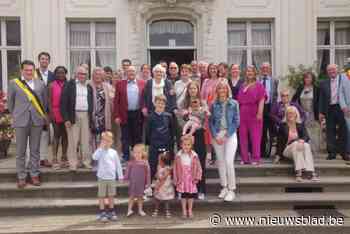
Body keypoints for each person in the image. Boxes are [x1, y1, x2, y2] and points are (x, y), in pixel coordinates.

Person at [8, 60, 48, 188]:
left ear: (34, 70)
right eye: (26, 70)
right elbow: (10, 103)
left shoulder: (41, 84)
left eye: (31, 70)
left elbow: (44, 103)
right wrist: (16, 116)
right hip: (21, 121)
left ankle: (34, 175)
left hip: (36, 121)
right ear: (22, 70)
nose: (29, 72)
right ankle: (21, 177)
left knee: (35, 150)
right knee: (20, 151)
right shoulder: (14, 84)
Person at [209, 81, 239, 202]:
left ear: (227, 90)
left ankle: (232, 189)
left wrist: (226, 135)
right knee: (220, 162)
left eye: (224, 88)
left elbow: (236, 121)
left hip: (230, 134)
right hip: (217, 134)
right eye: (220, 88)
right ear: (217, 90)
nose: (222, 90)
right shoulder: (213, 104)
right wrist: (215, 136)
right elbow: (210, 122)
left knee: (228, 161)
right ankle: (224, 187)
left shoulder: (234, 103)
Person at [60, 65, 93, 171]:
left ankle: (86, 162)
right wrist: (66, 119)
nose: (83, 76)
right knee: (73, 141)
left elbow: (91, 102)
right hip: (73, 115)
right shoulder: (69, 85)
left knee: (85, 141)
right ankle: (73, 164)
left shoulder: (89, 87)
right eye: (80, 73)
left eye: (84, 74)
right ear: (76, 74)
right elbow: (63, 103)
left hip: (86, 115)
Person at [277, 106, 319, 182]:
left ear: (296, 114)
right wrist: (278, 155)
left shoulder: (300, 125)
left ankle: (310, 172)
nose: (290, 115)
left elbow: (306, 136)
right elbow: (279, 142)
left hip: (298, 147)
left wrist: (302, 141)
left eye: (292, 113)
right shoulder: (283, 126)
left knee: (306, 145)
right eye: (288, 113)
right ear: (286, 115)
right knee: (296, 143)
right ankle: (300, 173)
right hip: (287, 150)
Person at [114, 66, 145, 161]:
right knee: (125, 137)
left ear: (136, 73)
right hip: (124, 114)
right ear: (126, 73)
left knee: (137, 136)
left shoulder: (142, 83)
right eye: (129, 71)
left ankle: (137, 157)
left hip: (138, 114)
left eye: (133, 71)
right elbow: (116, 102)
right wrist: (116, 116)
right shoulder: (120, 84)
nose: (131, 73)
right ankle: (126, 156)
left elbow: (145, 98)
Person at [182, 81, 208, 200]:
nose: (192, 90)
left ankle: (201, 189)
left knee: (200, 162)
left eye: (194, 88)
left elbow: (205, 117)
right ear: (188, 90)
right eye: (190, 88)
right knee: (187, 163)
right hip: (188, 135)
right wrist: (186, 114)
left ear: (198, 90)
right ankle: (189, 190)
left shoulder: (202, 102)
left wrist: (197, 112)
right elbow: (182, 119)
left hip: (199, 134)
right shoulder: (185, 102)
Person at [319, 64, 349, 161]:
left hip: (341, 108)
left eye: (333, 70)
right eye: (329, 70)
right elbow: (321, 99)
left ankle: (343, 152)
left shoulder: (344, 80)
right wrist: (321, 112)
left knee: (343, 130)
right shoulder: (323, 83)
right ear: (327, 72)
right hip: (329, 109)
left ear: (337, 70)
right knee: (330, 131)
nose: (332, 71)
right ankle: (332, 153)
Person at [237, 65, 266, 165]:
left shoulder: (259, 85)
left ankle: (256, 158)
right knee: (242, 136)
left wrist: (260, 113)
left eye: (251, 71)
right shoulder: (242, 85)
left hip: (254, 111)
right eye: (248, 71)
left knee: (255, 136)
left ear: (254, 73)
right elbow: (239, 101)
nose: (249, 73)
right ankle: (245, 158)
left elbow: (262, 99)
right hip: (242, 112)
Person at [93, 131, 123, 222]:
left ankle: (111, 211)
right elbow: (94, 157)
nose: (106, 142)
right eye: (104, 140)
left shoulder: (113, 152)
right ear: (101, 141)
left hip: (111, 178)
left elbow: (118, 165)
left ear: (111, 142)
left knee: (111, 195)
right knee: (101, 195)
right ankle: (102, 212)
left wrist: (120, 176)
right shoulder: (100, 151)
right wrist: (100, 148)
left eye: (108, 140)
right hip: (102, 177)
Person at [145, 95, 175, 180]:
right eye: (158, 103)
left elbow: (172, 131)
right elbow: (147, 132)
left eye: (162, 103)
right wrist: (148, 146)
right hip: (154, 146)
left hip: (166, 145)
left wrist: (171, 146)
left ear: (165, 105)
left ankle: (166, 189)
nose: (160, 105)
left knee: (166, 167)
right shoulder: (150, 117)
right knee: (153, 166)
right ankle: (151, 187)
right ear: (154, 103)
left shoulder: (168, 116)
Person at [173, 135, 202, 219]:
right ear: (181, 145)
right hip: (182, 178)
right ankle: (184, 211)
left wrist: (197, 177)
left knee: (190, 195)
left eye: (188, 144)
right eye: (184, 144)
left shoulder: (194, 155)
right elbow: (175, 168)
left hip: (191, 178)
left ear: (191, 145)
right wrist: (175, 178)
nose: (186, 146)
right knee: (183, 195)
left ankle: (190, 210)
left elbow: (199, 167)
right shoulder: (178, 155)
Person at [292, 72, 321, 153]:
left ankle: (313, 149)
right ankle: (305, 148)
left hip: (312, 112)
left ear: (312, 79)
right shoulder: (300, 88)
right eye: (306, 78)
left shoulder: (316, 88)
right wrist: (295, 109)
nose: (307, 79)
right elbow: (294, 99)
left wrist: (320, 113)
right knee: (303, 131)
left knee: (312, 131)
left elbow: (319, 101)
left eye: (309, 78)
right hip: (302, 113)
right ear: (304, 79)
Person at [35, 52, 55, 168]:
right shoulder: (33, 74)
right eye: (42, 59)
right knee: (34, 135)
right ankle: (34, 159)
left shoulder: (53, 75)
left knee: (46, 135)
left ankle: (44, 158)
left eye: (46, 59)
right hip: (35, 109)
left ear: (49, 61)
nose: (44, 61)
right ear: (39, 60)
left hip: (48, 110)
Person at [48, 66, 69, 170]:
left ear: (65, 74)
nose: (60, 75)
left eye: (62, 73)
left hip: (66, 114)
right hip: (55, 113)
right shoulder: (51, 85)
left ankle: (64, 156)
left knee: (65, 135)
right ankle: (54, 157)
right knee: (56, 135)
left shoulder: (69, 85)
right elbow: (48, 101)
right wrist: (50, 114)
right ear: (55, 74)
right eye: (58, 73)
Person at [259, 62, 279, 158]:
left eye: (267, 68)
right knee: (261, 131)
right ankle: (262, 152)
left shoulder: (274, 81)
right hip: (260, 108)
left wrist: (275, 109)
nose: (265, 69)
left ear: (270, 69)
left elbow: (275, 95)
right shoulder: (257, 80)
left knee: (271, 131)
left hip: (270, 108)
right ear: (261, 69)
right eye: (263, 68)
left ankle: (269, 152)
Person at [124, 144, 151, 217]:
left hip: (141, 183)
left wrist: (148, 183)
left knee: (140, 197)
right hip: (133, 183)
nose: (137, 154)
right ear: (133, 153)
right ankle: (129, 210)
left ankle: (140, 210)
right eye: (135, 152)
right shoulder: (131, 163)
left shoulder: (145, 163)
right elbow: (127, 172)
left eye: (139, 152)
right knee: (131, 197)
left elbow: (148, 173)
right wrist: (125, 178)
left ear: (143, 153)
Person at [90, 67, 113, 152]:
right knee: (92, 137)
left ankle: (103, 156)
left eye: (100, 74)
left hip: (104, 116)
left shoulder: (107, 87)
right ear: (92, 75)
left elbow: (111, 102)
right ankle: (94, 156)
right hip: (93, 116)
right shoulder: (89, 85)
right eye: (96, 74)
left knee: (104, 137)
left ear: (103, 76)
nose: (98, 76)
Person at [152, 151, 175, 218]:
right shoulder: (159, 166)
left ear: (163, 161)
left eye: (159, 160)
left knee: (166, 200)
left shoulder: (167, 168)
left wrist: (158, 186)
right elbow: (157, 174)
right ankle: (156, 210)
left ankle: (167, 211)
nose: (158, 161)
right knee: (157, 199)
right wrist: (156, 176)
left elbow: (164, 178)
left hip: (164, 186)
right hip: (159, 184)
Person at [340, 68, 350, 156]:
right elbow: (341, 92)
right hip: (347, 109)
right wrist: (344, 106)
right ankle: (348, 151)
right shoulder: (343, 76)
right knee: (348, 130)